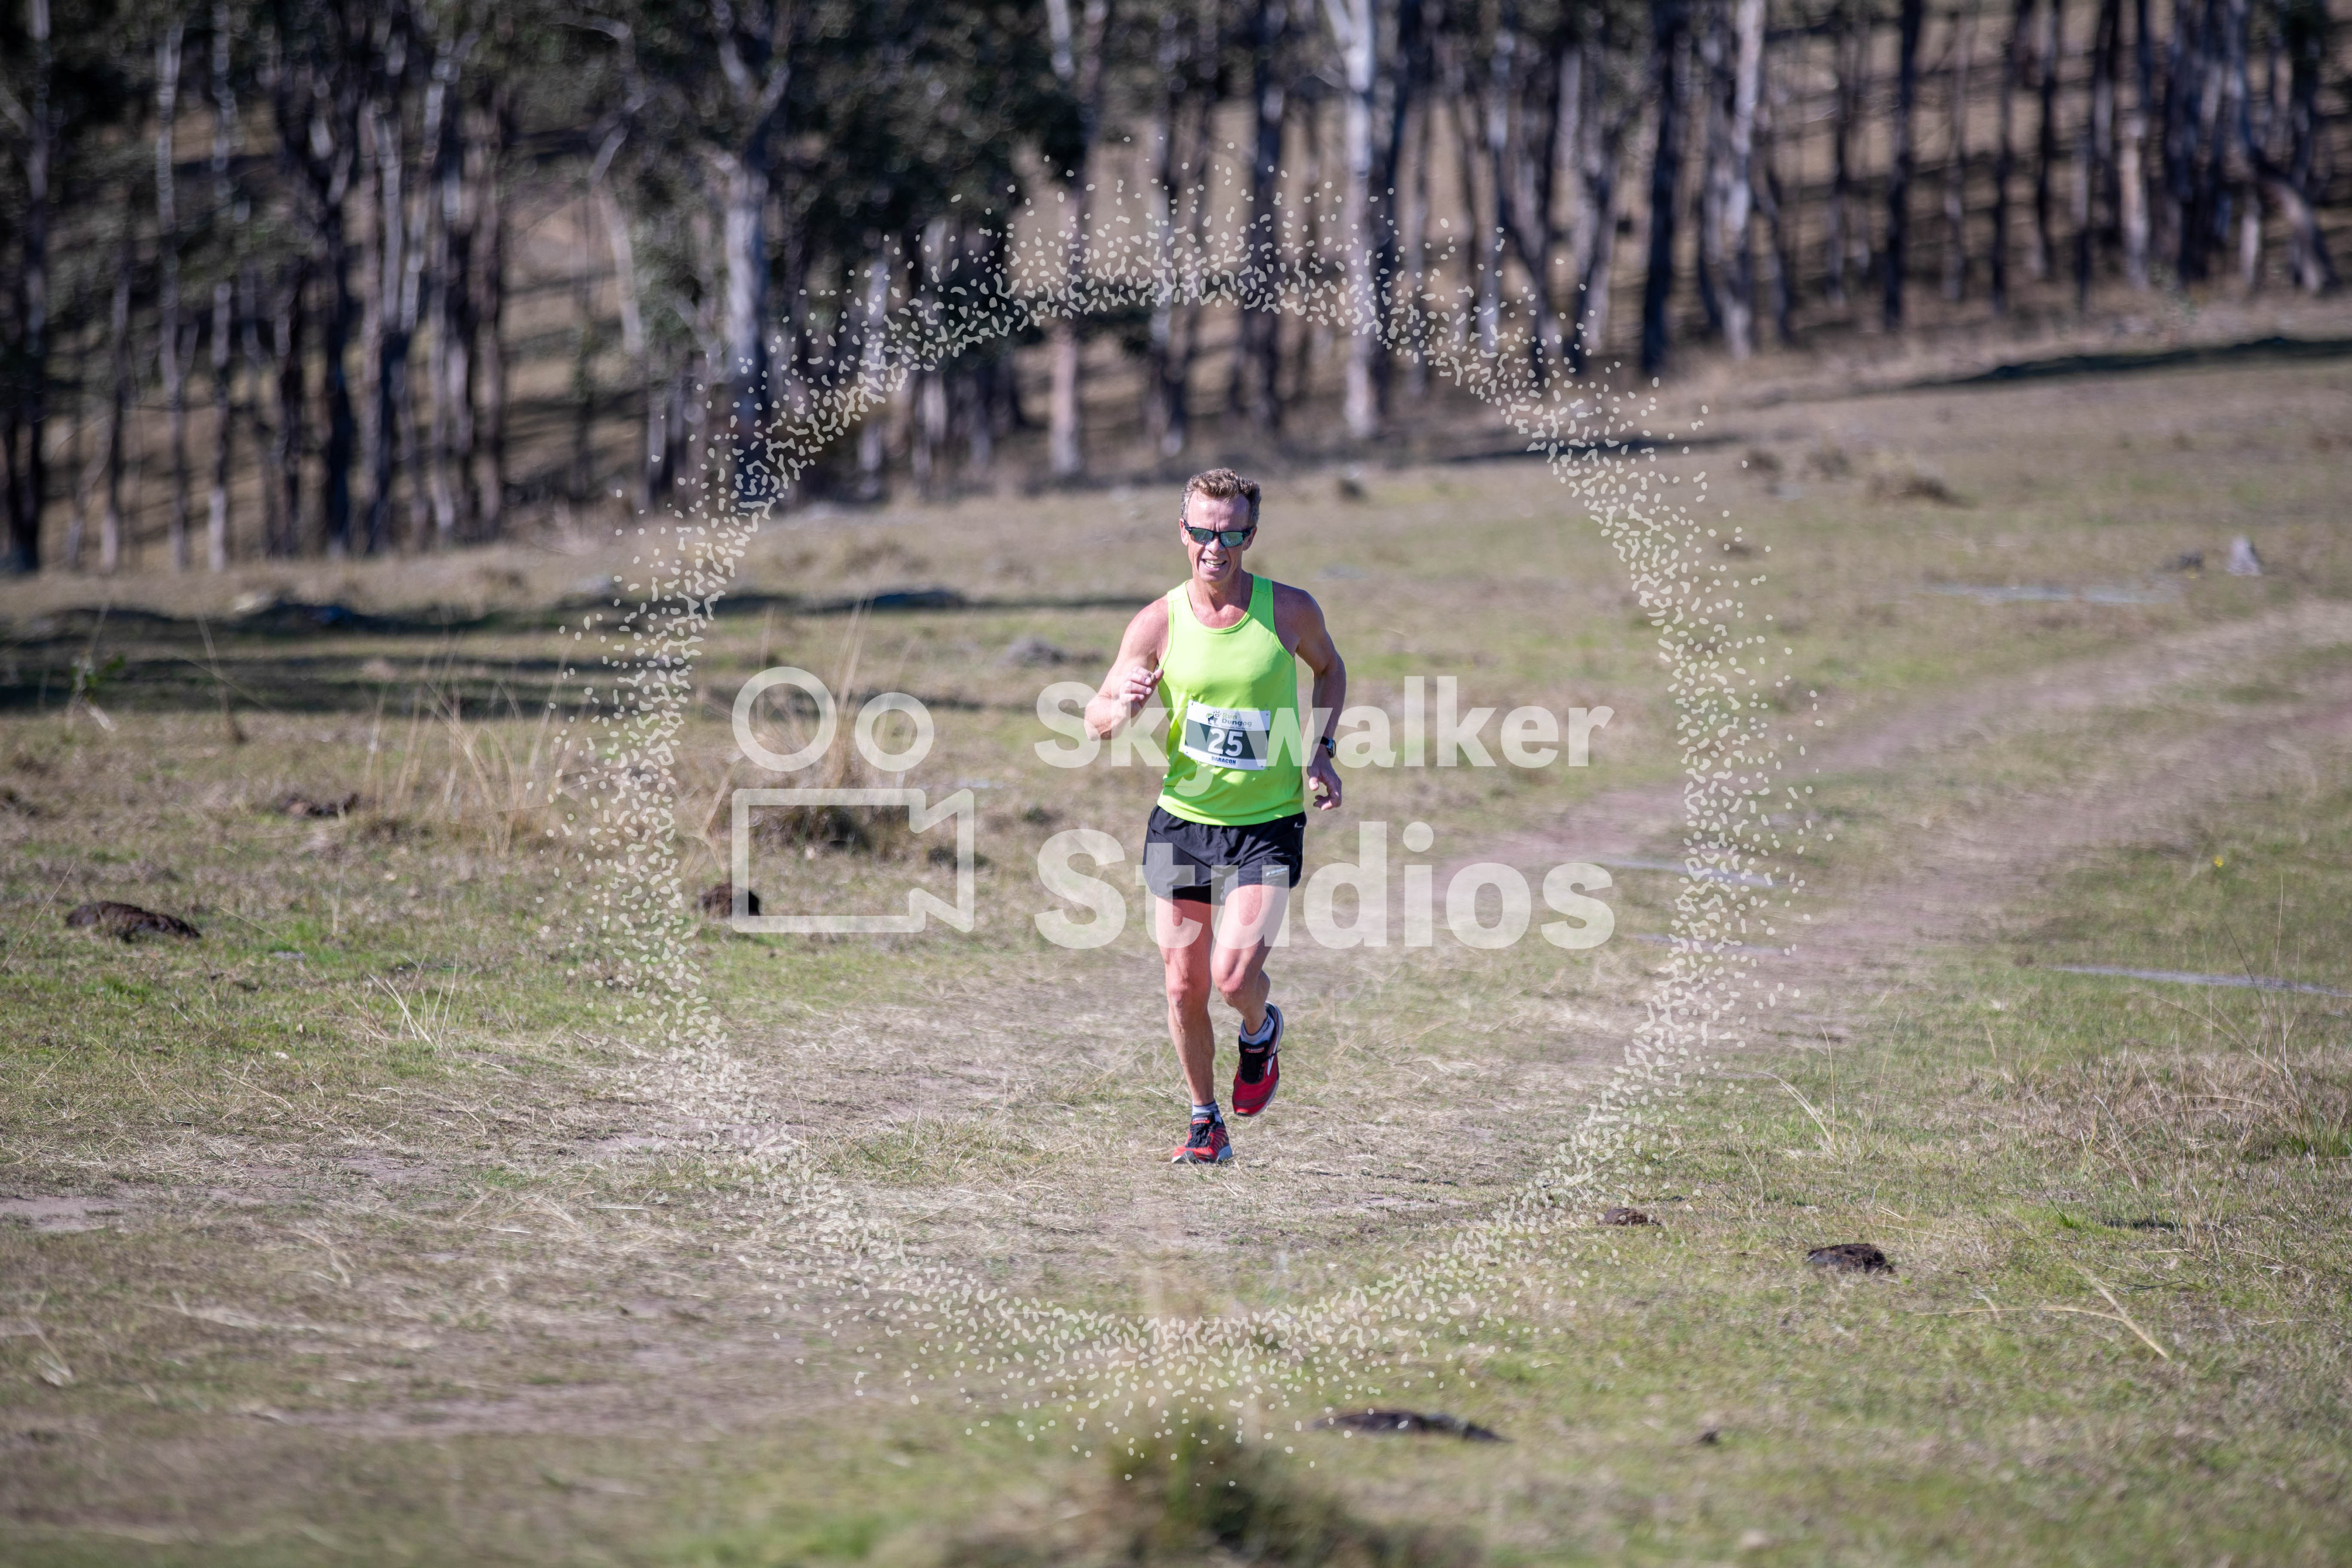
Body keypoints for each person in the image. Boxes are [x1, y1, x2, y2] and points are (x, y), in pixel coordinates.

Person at [1085, 469, 1347, 1165]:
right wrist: (1123, 708)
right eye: (1202, 530)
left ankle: (1260, 1032)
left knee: (1232, 980)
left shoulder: (1289, 611)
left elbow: (1330, 670)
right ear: (1183, 531)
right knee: (1183, 983)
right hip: (1184, 820)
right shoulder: (1156, 622)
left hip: (1267, 820)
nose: (1215, 546)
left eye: (1231, 532)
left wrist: (1321, 751)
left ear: (1250, 535)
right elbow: (1096, 717)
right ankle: (1206, 1123)